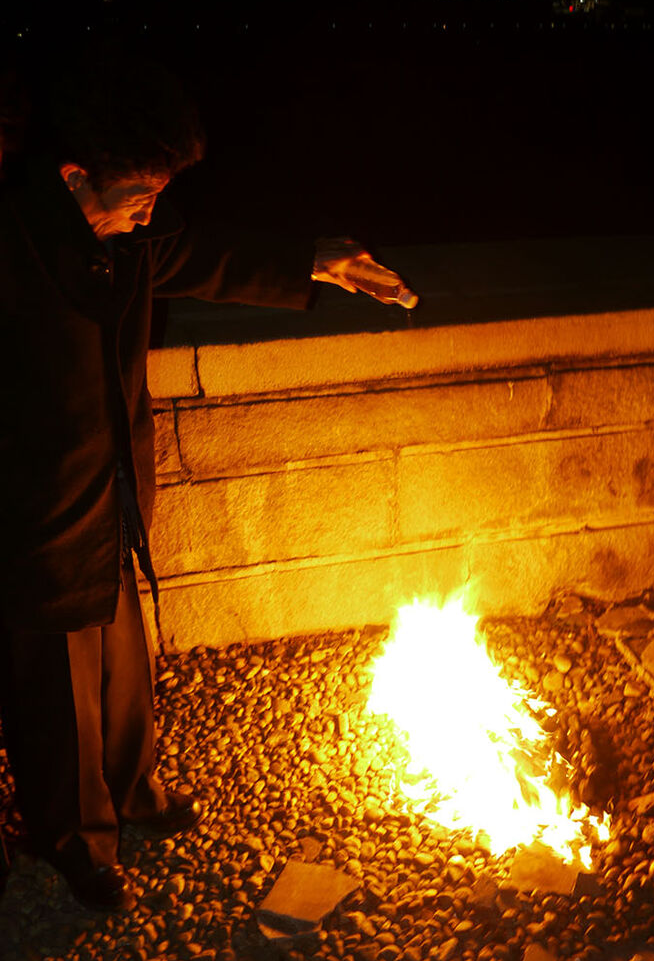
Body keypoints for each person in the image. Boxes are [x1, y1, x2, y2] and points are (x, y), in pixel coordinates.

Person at [0, 45, 394, 913]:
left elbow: (208, 255)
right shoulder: (14, 244)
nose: (151, 209)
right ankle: (75, 837)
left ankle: (132, 790)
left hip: (111, 489)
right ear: (74, 177)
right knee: (57, 685)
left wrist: (315, 261)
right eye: (138, 192)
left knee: (122, 658)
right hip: (34, 509)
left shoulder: (131, 238)